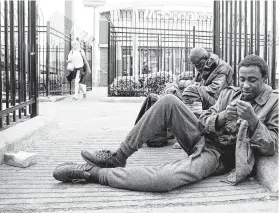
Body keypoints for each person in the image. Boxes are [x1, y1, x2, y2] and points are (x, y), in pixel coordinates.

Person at [53, 54, 278, 192]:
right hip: (201, 137)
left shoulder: (274, 103)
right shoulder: (230, 94)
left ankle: (93, 174)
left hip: (217, 156)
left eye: (252, 80)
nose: (245, 85)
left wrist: (253, 121)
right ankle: (117, 157)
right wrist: (219, 118)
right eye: (242, 79)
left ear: (264, 79)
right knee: (168, 100)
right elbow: (204, 119)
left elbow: (271, 146)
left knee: (164, 180)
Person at [136, 47, 233, 147]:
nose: (197, 68)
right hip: (205, 98)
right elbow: (197, 84)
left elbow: (215, 91)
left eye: (198, 64)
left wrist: (192, 86)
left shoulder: (223, 68)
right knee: (171, 90)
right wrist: (178, 86)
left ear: (205, 58)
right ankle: (153, 133)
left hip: (218, 103)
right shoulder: (205, 66)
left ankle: (191, 136)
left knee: (191, 91)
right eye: (195, 66)